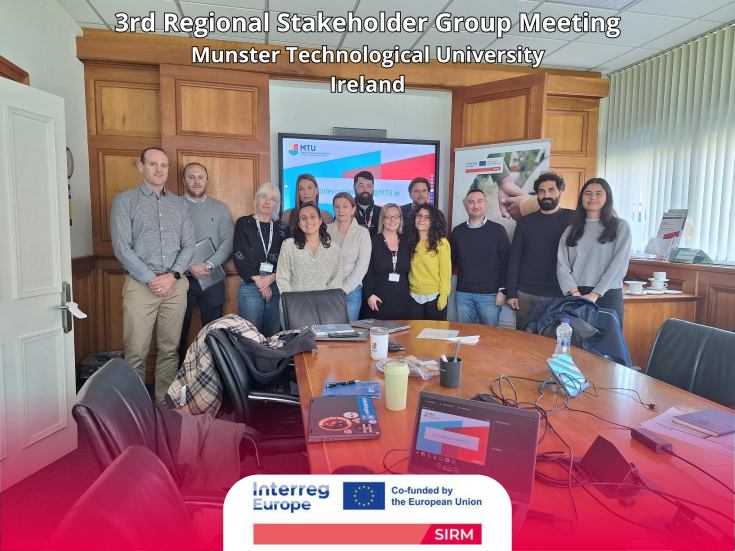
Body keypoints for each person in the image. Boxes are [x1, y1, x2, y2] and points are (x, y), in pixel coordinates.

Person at [110, 147, 195, 405]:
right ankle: (135, 410)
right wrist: (151, 278)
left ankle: (162, 404)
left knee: (170, 350)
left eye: (164, 165)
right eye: (153, 164)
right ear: (141, 166)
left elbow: (189, 245)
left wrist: (172, 275)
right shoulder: (124, 201)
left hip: (175, 286)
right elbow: (122, 248)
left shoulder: (179, 204)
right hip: (140, 286)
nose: (159, 170)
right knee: (136, 351)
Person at [177, 163, 234, 362]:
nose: (196, 181)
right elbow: (167, 243)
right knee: (177, 334)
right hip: (181, 279)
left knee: (214, 333)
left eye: (201, 177)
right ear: (184, 181)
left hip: (212, 279)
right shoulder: (174, 206)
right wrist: (189, 265)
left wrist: (209, 265)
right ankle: (178, 383)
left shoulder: (219, 208)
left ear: (207, 181)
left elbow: (228, 241)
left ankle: (213, 378)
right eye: (191, 177)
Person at [557, 178, 632, 328]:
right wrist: (575, 294)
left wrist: (595, 294)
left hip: (607, 293)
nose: (593, 197)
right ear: (581, 199)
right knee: (576, 346)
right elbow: (562, 266)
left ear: (607, 198)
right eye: (588, 193)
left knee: (608, 346)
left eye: (599, 193)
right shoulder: (570, 230)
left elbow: (619, 265)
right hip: (576, 294)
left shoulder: (620, 226)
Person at [507, 173, 573, 330]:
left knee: (553, 341)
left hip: (560, 293)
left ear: (560, 192)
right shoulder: (525, 222)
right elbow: (514, 258)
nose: (546, 195)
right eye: (542, 191)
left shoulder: (573, 218)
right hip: (525, 294)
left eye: (551, 190)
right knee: (524, 341)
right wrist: (511, 292)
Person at [233, 183, 290, 337]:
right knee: (250, 337)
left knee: (273, 336)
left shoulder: (283, 228)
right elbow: (239, 254)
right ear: (256, 199)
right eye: (263, 196)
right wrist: (261, 282)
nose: (267, 202)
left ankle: (270, 363)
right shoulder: (244, 223)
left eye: (273, 199)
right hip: (251, 286)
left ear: (277, 204)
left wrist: (271, 278)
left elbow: (289, 260)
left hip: (276, 286)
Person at [450, 189, 510, 326]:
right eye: (471, 202)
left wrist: (503, 290)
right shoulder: (457, 231)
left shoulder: (498, 230)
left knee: (490, 339)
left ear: (486, 204)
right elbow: (451, 261)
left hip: (490, 295)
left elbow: (507, 261)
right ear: (466, 206)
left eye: (479, 201)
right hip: (463, 294)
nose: (475, 206)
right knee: (465, 336)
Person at [277, 202, 342, 296]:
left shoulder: (334, 249)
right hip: (295, 306)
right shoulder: (289, 246)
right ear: (299, 224)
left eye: (312, 216)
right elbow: (282, 278)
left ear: (320, 221)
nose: (308, 221)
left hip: (323, 306)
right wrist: (293, 302)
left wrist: (327, 303)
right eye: (303, 218)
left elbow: (336, 281)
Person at [327, 193, 371, 321]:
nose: (341, 210)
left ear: (353, 209)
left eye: (345, 206)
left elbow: (362, 266)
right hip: (327, 290)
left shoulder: (362, 233)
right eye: (337, 206)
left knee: (347, 333)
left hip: (351, 291)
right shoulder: (325, 230)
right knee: (326, 331)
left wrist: (344, 289)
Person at [363, 204, 412, 321]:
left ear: (400, 219)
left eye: (396, 216)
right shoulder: (372, 241)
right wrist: (369, 294)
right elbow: (366, 270)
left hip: (402, 298)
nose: (392, 220)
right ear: (382, 219)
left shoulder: (407, 242)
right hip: (378, 299)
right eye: (388, 217)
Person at [408, 203, 451, 321]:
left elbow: (445, 274)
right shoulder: (411, 241)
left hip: (434, 297)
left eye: (427, 217)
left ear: (433, 221)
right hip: (413, 296)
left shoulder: (441, 243)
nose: (422, 219)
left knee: (434, 337)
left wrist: (443, 298)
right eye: (419, 215)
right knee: (413, 336)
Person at [353, 170, 382, 235]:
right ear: (354, 188)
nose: (365, 189)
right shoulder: (346, 212)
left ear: (373, 188)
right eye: (361, 186)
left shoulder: (382, 212)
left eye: (369, 186)